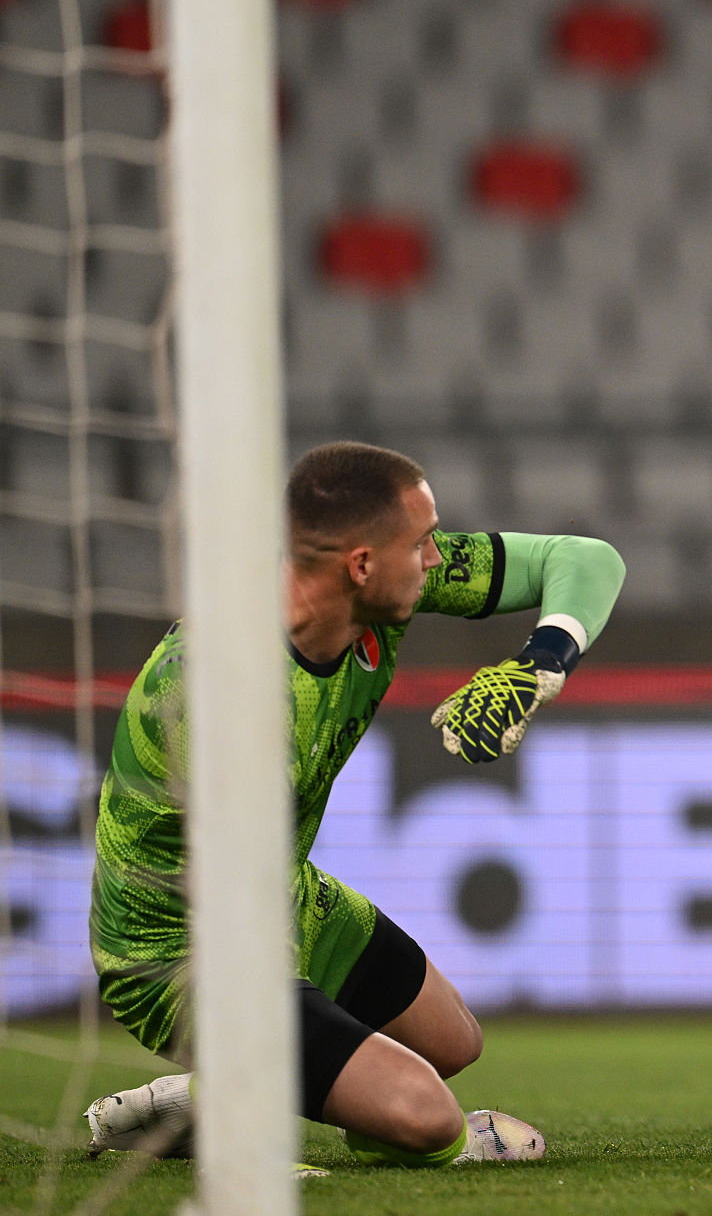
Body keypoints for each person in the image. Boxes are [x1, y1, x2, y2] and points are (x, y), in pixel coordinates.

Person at [84, 441, 626, 1167]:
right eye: (423, 542)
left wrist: (541, 662)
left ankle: (206, 1101)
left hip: (282, 895)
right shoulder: (225, 690)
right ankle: (237, 1103)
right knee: (428, 1115)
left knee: (454, 1041)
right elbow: (232, 909)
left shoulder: (368, 590)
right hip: (178, 950)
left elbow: (587, 558)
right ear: (362, 564)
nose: (437, 558)